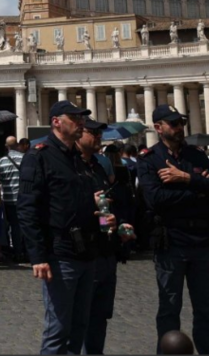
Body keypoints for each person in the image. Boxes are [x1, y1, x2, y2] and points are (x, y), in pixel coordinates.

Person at [137, 105, 209, 355]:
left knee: (206, 310)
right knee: (169, 308)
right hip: (171, 242)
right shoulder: (149, 159)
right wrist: (199, 189)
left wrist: (186, 179)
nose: (179, 128)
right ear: (158, 128)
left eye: (181, 122)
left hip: (203, 242)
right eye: (173, 123)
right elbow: (155, 199)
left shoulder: (196, 155)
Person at [17, 100, 101, 355]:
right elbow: (27, 208)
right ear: (56, 122)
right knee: (59, 328)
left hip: (86, 251)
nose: (82, 123)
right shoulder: (38, 156)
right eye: (75, 118)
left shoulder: (78, 159)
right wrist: (38, 257)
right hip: (60, 253)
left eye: (82, 119)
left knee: (80, 326)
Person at [80, 119, 135, 355]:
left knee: (100, 316)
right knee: (80, 317)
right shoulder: (68, 168)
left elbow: (103, 210)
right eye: (93, 133)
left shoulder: (99, 167)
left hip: (105, 251)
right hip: (82, 252)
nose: (99, 137)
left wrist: (116, 225)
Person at [0, 135, 26, 263]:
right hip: (24, 198)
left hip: (9, 199)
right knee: (26, 225)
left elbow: (0, 181)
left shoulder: (2, 161)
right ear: (18, 145)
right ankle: (26, 251)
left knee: (13, 226)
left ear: (6, 146)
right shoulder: (25, 158)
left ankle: (17, 252)